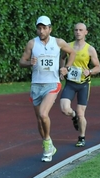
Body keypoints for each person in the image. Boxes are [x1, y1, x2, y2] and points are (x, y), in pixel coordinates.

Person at [19, 15, 76, 162]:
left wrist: (66, 68)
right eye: (39, 28)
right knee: (39, 120)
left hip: (52, 84)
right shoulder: (32, 44)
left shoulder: (58, 42)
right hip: (36, 85)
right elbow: (21, 61)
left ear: (50, 29)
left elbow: (72, 52)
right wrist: (29, 63)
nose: (42, 31)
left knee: (44, 114)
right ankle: (47, 143)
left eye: (44, 28)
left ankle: (47, 145)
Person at [59, 23, 100, 147]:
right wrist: (63, 68)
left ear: (86, 32)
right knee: (64, 108)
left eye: (81, 30)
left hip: (83, 84)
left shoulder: (90, 49)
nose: (78, 32)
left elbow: (98, 67)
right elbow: (62, 58)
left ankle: (81, 137)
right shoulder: (68, 46)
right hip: (70, 83)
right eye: (76, 30)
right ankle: (74, 116)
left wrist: (90, 71)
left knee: (81, 113)